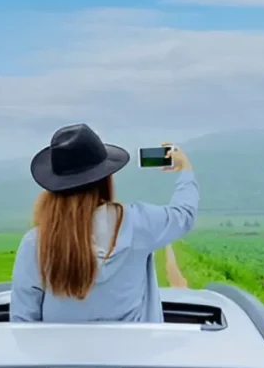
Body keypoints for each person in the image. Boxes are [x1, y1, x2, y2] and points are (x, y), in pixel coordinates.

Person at [10, 123, 198, 322]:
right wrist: (186, 170)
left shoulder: (36, 243)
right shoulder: (137, 223)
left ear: (54, 186)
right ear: (105, 178)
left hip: (59, 353)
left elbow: (23, 320)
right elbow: (184, 214)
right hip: (133, 352)